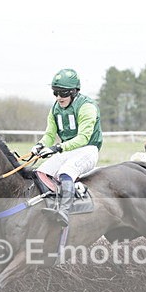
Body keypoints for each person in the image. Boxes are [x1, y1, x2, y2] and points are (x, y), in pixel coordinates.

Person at [30, 68, 102, 227]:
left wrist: (57, 148)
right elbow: (49, 134)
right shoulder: (55, 108)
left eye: (63, 93)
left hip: (88, 149)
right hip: (67, 150)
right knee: (40, 173)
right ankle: (48, 204)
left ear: (74, 92)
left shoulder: (87, 107)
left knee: (65, 172)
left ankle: (64, 211)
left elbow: (83, 138)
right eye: (55, 93)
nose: (58, 97)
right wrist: (40, 145)